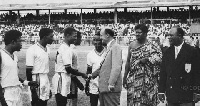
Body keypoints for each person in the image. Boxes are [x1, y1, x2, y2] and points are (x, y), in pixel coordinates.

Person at [158, 27, 200, 106]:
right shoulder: (167, 52)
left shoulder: (192, 51)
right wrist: (161, 91)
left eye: (171, 35)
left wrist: (197, 92)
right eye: (168, 35)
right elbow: (163, 73)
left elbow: (197, 73)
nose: (169, 37)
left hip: (186, 95)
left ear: (179, 36)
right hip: (171, 95)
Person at [123, 24, 162, 106]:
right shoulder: (132, 45)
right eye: (136, 32)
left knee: (148, 99)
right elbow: (128, 62)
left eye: (139, 32)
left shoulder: (152, 45)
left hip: (149, 78)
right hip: (134, 78)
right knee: (133, 100)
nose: (137, 34)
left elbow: (160, 58)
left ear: (145, 33)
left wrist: (147, 59)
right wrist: (124, 77)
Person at [0, 30, 38, 106]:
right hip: (6, 94)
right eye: (20, 41)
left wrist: (28, 83)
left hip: (17, 93)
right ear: (13, 42)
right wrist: (2, 100)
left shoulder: (15, 57)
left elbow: (14, 77)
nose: (21, 44)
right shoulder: (1, 55)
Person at [52, 27, 87, 106]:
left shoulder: (66, 47)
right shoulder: (66, 49)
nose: (75, 38)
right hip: (62, 77)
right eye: (74, 36)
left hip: (64, 76)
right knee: (63, 101)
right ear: (67, 36)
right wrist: (82, 75)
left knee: (65, 101)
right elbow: (68, 69)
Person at [89, 27, 123, 106]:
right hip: (105, 88)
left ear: (107, 35)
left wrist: (111, 83)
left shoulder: (115, 47)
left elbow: (116, 67)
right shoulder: (109, 47)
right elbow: (105, 66)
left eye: (101, 35)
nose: (100, 38)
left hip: (110, 89)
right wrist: (92, 75)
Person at [26, 28, 54, 106]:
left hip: (45, 78)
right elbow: (28, 71)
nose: (53, 39)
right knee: (36, 103)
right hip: (36, 79)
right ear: (45, 37)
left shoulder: (48, 49)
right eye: (51, 36)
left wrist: (47, 84)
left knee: (44, 102)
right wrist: (33, 89)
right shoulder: (32, 49)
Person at [85, 31, 106, 106]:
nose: (96, 42)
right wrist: (87, 85)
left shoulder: (107, 52)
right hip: (93, 84)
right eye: (94, 40)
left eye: (98, 40)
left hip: (105, 84)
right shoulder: (90, 54)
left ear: (102, 40)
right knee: (93, 104)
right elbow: (89, 71)